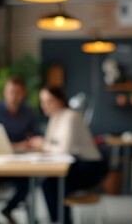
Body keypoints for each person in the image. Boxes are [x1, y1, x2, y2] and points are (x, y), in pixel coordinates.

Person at [29, 86, 108, 224]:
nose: (45, 106)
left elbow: (64, 149)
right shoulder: (54, 118)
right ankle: (62, 219)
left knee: (50, 184)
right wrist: (42, 145)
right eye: (42, 102)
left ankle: (61, 220)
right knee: (50, 183)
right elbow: (51, 147)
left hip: (90, 166)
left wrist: (43, 144)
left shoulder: (71, 116)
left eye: (49, 101)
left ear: (60, 100)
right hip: (74, 164)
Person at [0, 76, 41, 224]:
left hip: (19, 162)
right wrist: (17, 145)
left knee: (32, 181)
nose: (14, 96)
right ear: (5, 92)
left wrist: (33, 143)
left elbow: (37, 136)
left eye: (18, 92)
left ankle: (8, 209)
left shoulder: (28, 112)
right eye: (11, 91)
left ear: (23, 94)